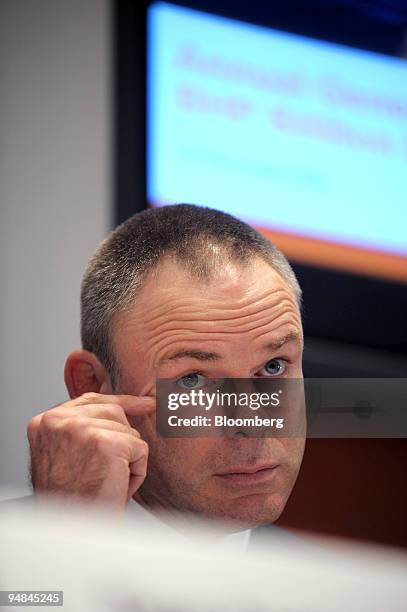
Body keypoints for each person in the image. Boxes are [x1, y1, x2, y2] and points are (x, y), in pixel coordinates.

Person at [26, 203, 305, 542]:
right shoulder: (19, 560)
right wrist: (64, 539)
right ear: (92, 385)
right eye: (193, 380)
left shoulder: (333, 590)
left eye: (273, 367)